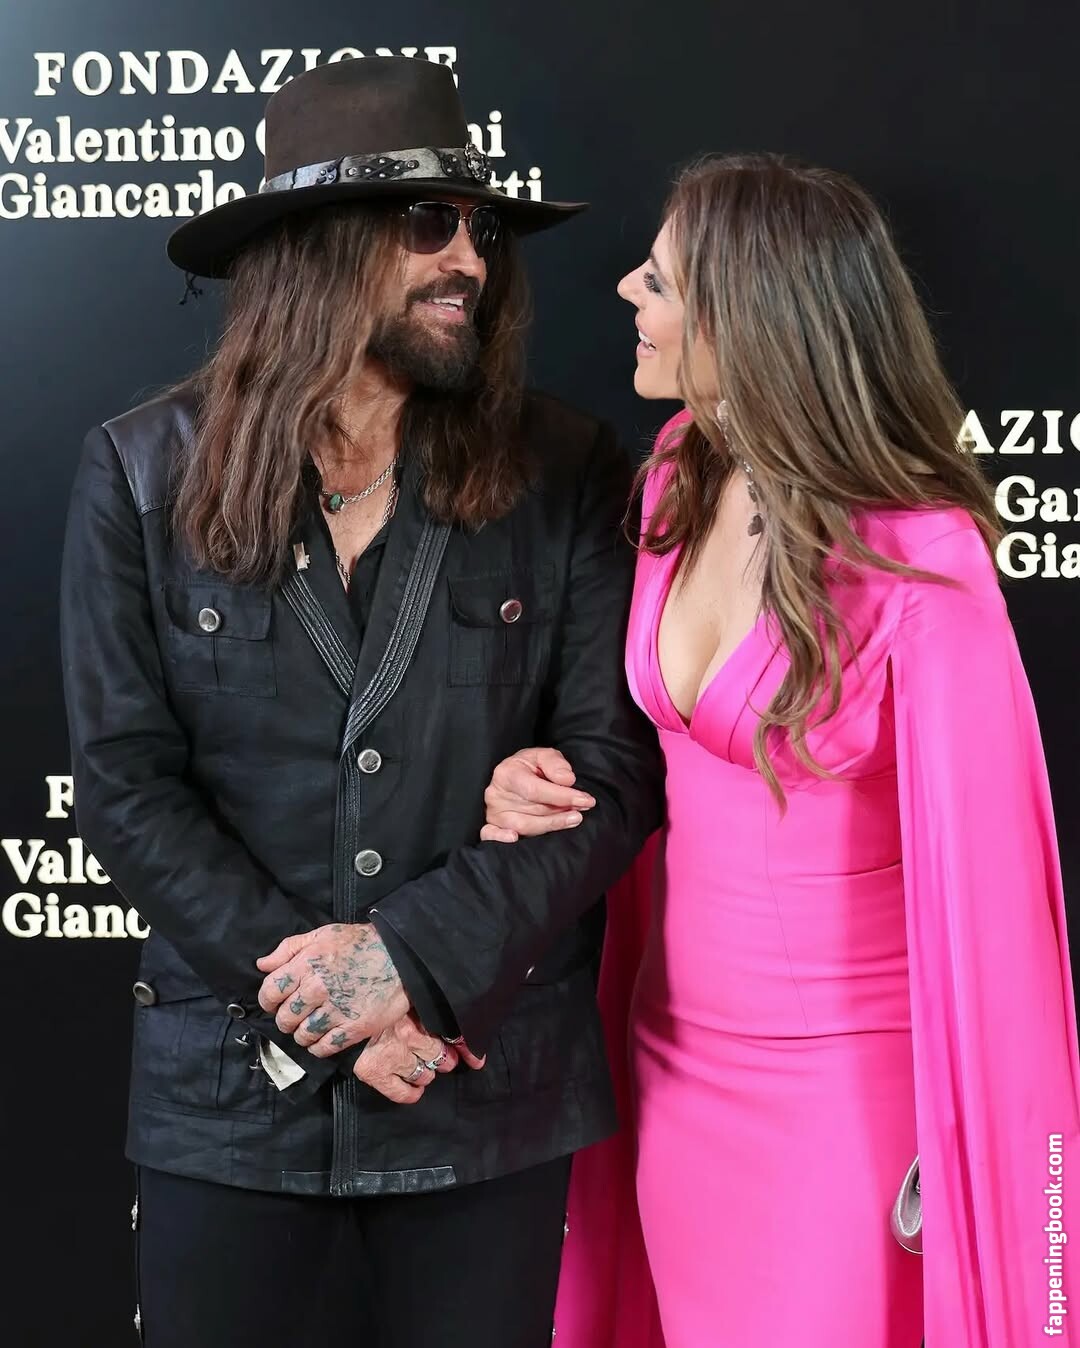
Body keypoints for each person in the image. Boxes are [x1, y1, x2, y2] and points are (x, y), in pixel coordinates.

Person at [59, 56, 661, 1348]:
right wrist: (338, 1010)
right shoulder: (140, 474)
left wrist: (414, 965)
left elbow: (614, 772)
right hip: (231, 1110)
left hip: (481, 1102)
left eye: (480, 227)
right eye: (429, 222)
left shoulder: (566, 469)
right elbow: (124, 787)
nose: (469, 261)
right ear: (316, 246)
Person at [482, 153, 1080, 1347]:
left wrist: (986, 1155)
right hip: (668, 1064)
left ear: (746, 317)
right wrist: (538, 774)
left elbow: (993, 890)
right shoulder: (674, 476)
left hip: (848, 1103)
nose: (625, 291)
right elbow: (648, 763)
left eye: (659, 280)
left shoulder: (921, 553)